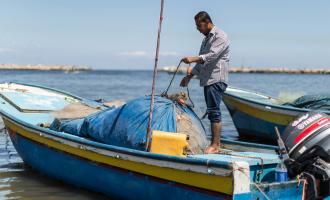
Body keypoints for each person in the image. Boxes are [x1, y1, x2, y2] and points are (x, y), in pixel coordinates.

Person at [180, 11, 230, 154]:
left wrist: (193, 58)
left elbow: (211, 56)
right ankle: (216, 143)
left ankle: (215, 145)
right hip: (208, 79)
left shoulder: (221, 36)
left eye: (199, 26)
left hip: (216, 78)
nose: (198, 29)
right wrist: (189, 77)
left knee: (214, 111)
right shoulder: (206, 39)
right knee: (211, 111)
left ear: (207, 23)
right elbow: (202, 63)